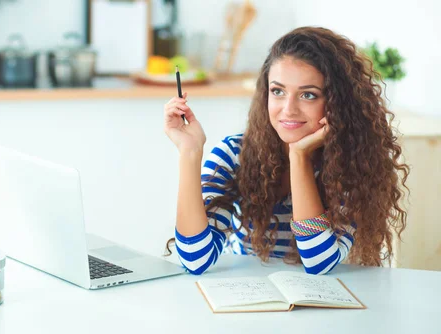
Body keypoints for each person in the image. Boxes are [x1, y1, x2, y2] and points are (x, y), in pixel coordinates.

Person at [162, 26, 409, 275]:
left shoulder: (351, 161)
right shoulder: (234, 154)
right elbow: (195, 259)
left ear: (337, 103)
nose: (288, 109)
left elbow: (319, 262)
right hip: (247, 296)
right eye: (278, 91)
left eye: (308, 95)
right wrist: (190, 152)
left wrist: (299, 155)